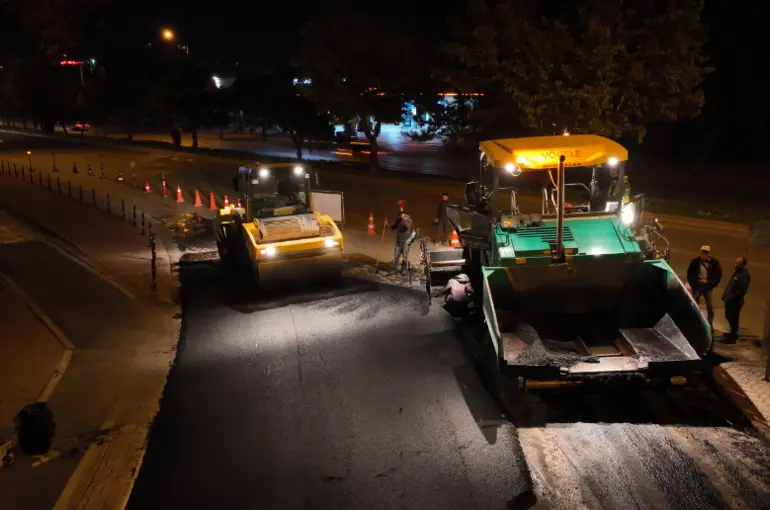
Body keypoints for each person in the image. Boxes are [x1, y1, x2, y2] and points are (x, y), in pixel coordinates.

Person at [686, 245, 723, 331]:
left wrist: (710, 282)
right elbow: (689, 274)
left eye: (706, 253)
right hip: (697, 287)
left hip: (708, 287)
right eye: (703, 252)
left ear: (709, 253)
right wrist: (693, 284)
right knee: (694, 305)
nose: (704, 254)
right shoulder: (695, 262)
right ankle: (693, 321)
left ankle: (710, 324)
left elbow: (718, 274)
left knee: (710, 306)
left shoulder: (714, 263)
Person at [721, 256, 751, 343]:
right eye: (736, 263)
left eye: (738, 264)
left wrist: (732, 298)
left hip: (734, 301)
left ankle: (732, 337)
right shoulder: (737, 273)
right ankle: (732, 333)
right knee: (729, 316)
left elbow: (741, 290)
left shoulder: (744, 275)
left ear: (743, 265)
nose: (736, 265)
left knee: (733, 318)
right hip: (729, 299)